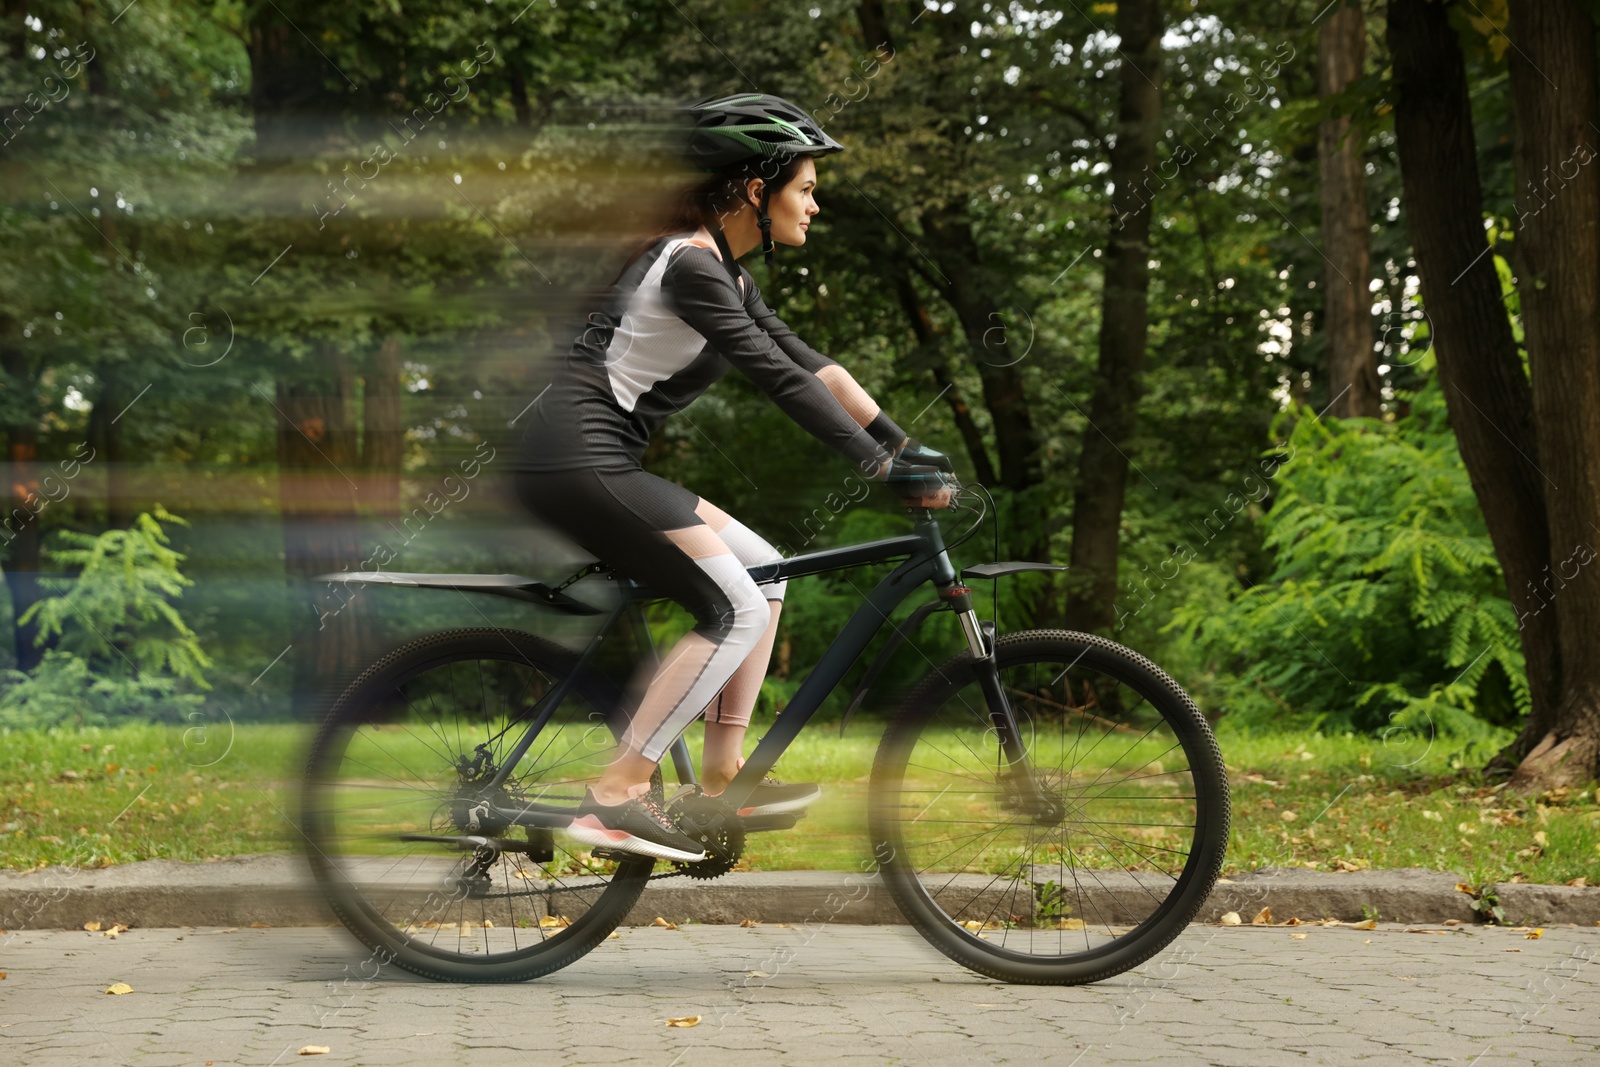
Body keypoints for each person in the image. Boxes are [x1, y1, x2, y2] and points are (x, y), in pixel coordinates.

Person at [512, 93, 956, 862]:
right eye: (806, 188)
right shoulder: (690, 265)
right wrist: (876, 467)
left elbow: (818, 371)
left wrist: (904, 446)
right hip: (572, 460)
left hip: (600, 460)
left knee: (766, 571)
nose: (816, 205)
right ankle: (614, 795)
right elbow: (780, 385)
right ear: (758, 189)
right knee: (735, 606)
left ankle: (721, 782)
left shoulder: (728, 277)